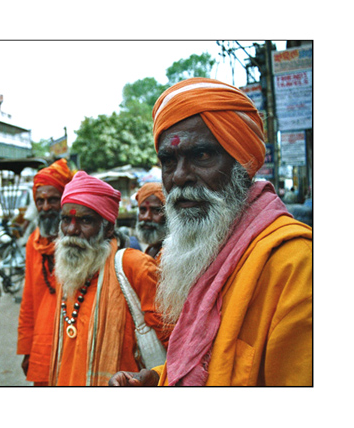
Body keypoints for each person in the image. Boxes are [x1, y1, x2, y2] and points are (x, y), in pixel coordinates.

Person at [109, 77, 312, 386]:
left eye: (201, 155)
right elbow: (212, 360)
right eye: (168, 160)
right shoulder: (199, 250)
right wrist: (159, 379)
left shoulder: (296, 264)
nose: (179, 177)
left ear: (242, 164)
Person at [49, 171, 173, 386]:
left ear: (108, 228)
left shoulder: (135, 266)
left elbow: (178, 343)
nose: (72, 230)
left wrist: (155, 376)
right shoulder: (68, 269)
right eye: (65, 220)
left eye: (85, 220)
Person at [17, 159, 74, 386]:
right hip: (43, 343)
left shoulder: (80, 242)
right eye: (40, 201)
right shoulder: (33, 243)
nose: (46, 207)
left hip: (75, 340)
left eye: (52, 200)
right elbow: (28, 300)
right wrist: (27, 349)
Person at [134, 182, 168, 259]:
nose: (147, 217)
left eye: (156, 210)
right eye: (143, 210)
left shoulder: (174, 252)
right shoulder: (152, 249)